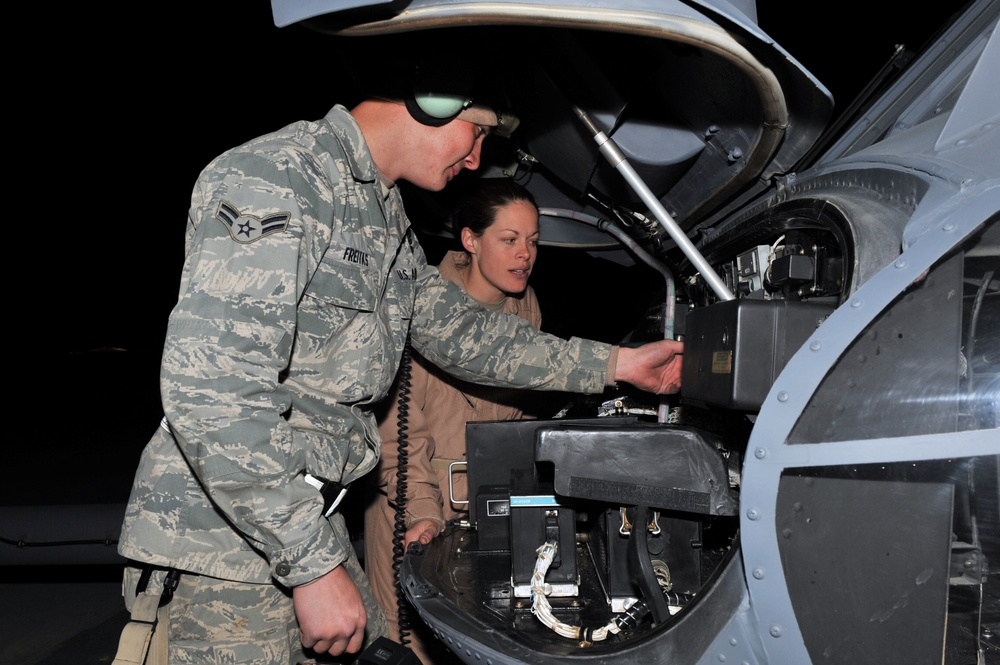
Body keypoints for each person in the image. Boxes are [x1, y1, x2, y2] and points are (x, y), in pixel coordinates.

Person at [117, 68, 684, 665]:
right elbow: (211, 387)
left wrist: (619, 364)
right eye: (478, 131)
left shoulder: (381, 213)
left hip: (299, 523)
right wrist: (311, 566)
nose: (475, 159)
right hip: (228, 550)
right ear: (432, 99)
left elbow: (467, 332)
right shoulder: (279, 177)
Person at [364, 179, 543, 662]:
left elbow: (518, 412)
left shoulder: (525, 309)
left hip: (485, 510)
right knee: (410, 645)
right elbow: (398, 431)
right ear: (470, 240)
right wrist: (423, 509)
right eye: (509, 240)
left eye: (532, 241)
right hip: (411, 501)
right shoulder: (419, 305)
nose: (524, 254)